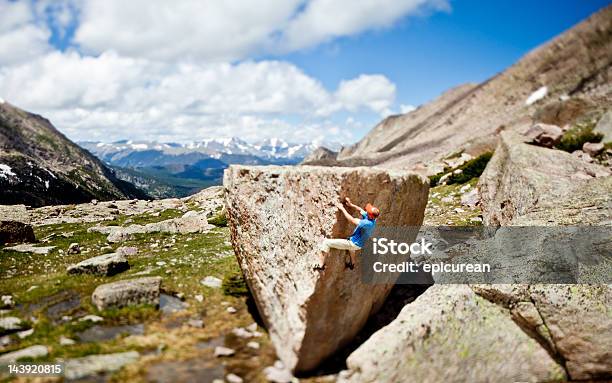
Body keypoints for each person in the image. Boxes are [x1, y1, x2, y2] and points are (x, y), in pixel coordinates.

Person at [314, 197, 380, 271]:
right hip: (360, 244)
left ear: (370, 216)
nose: (366, 211)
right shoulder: (373, 218)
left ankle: (321, 265)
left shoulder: (367, 223)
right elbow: (360, 210)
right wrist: (351, 205)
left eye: (368, 211)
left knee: (327, 243)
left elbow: (351, 219)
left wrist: (342, 209)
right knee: (352, 249)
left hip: (353, 243)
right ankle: (352, 264)